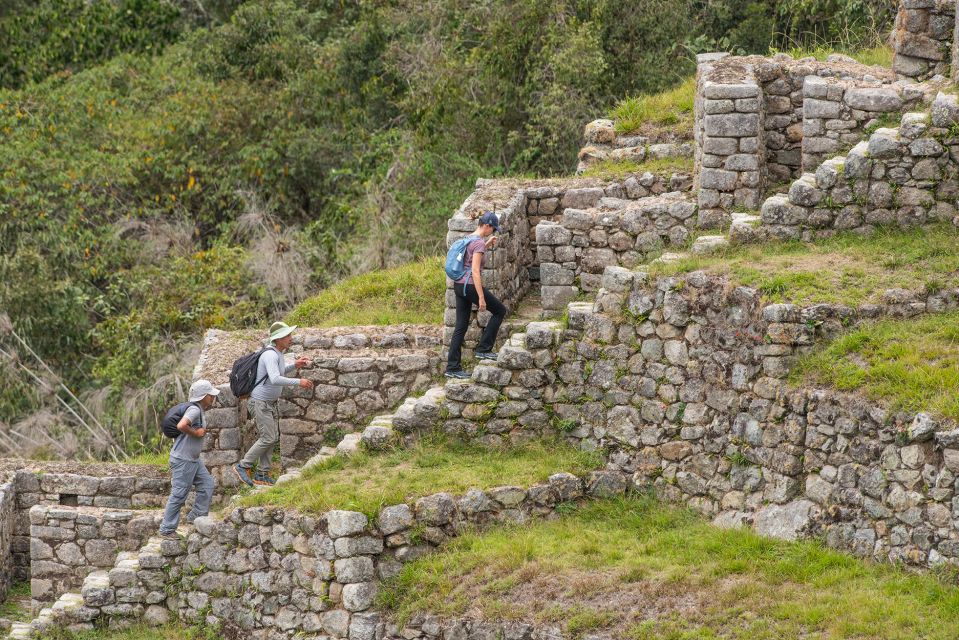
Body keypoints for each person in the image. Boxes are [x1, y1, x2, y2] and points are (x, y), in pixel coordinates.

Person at [233, 321, 313, 487]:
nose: (291, 338)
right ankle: (243, 465)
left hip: (268, 403)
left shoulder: (277, 353)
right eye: (287, 335)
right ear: (278, 339)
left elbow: (277, 372)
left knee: (271, 437)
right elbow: (275, 379)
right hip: (260, 403)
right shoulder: (270, 355)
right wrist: (299, 381)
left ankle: (262, 474)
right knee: (268, 437)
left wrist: (295, 365)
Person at [445, 211, 508, 379]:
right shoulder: (478, 243)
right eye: (493, 229)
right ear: (487, 226)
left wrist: (486, 244)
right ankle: (484, 349)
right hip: (471, 285)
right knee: (500, 311)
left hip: (459, 285)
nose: (493, 232)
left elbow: (469, 259)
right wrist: (481, 297)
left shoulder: (469, 238)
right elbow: (475, 271)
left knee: (460, 326)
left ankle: (452, 368)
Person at [159, 379, 218, 540]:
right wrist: (196, 433)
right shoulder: (194, 410)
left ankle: (196, 518)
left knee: (207, 484)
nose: (213, 398)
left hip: (193, 459)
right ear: (203, 396)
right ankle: (167, 529)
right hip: (183, 460)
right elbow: (181, 426)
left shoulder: (198, 409)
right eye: (210, 395)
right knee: (179, 494)